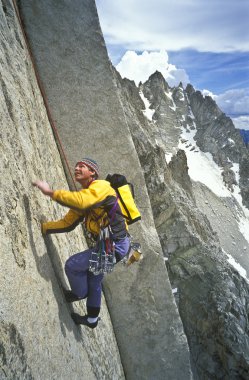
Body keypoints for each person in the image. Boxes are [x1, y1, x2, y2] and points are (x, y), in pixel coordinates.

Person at [33, 158, 130, 329]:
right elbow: (68, 223)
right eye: (76, 166)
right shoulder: (86, 197)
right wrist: (44, 228)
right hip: (110, 245)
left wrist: (50, 193)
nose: (77, 168)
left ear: (93, 172)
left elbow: (82, 201)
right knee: (94, 279)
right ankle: (92, 320)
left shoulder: (101, 188)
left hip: (115, 245)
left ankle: (79, 293)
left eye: (82, 166)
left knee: (72, 265)